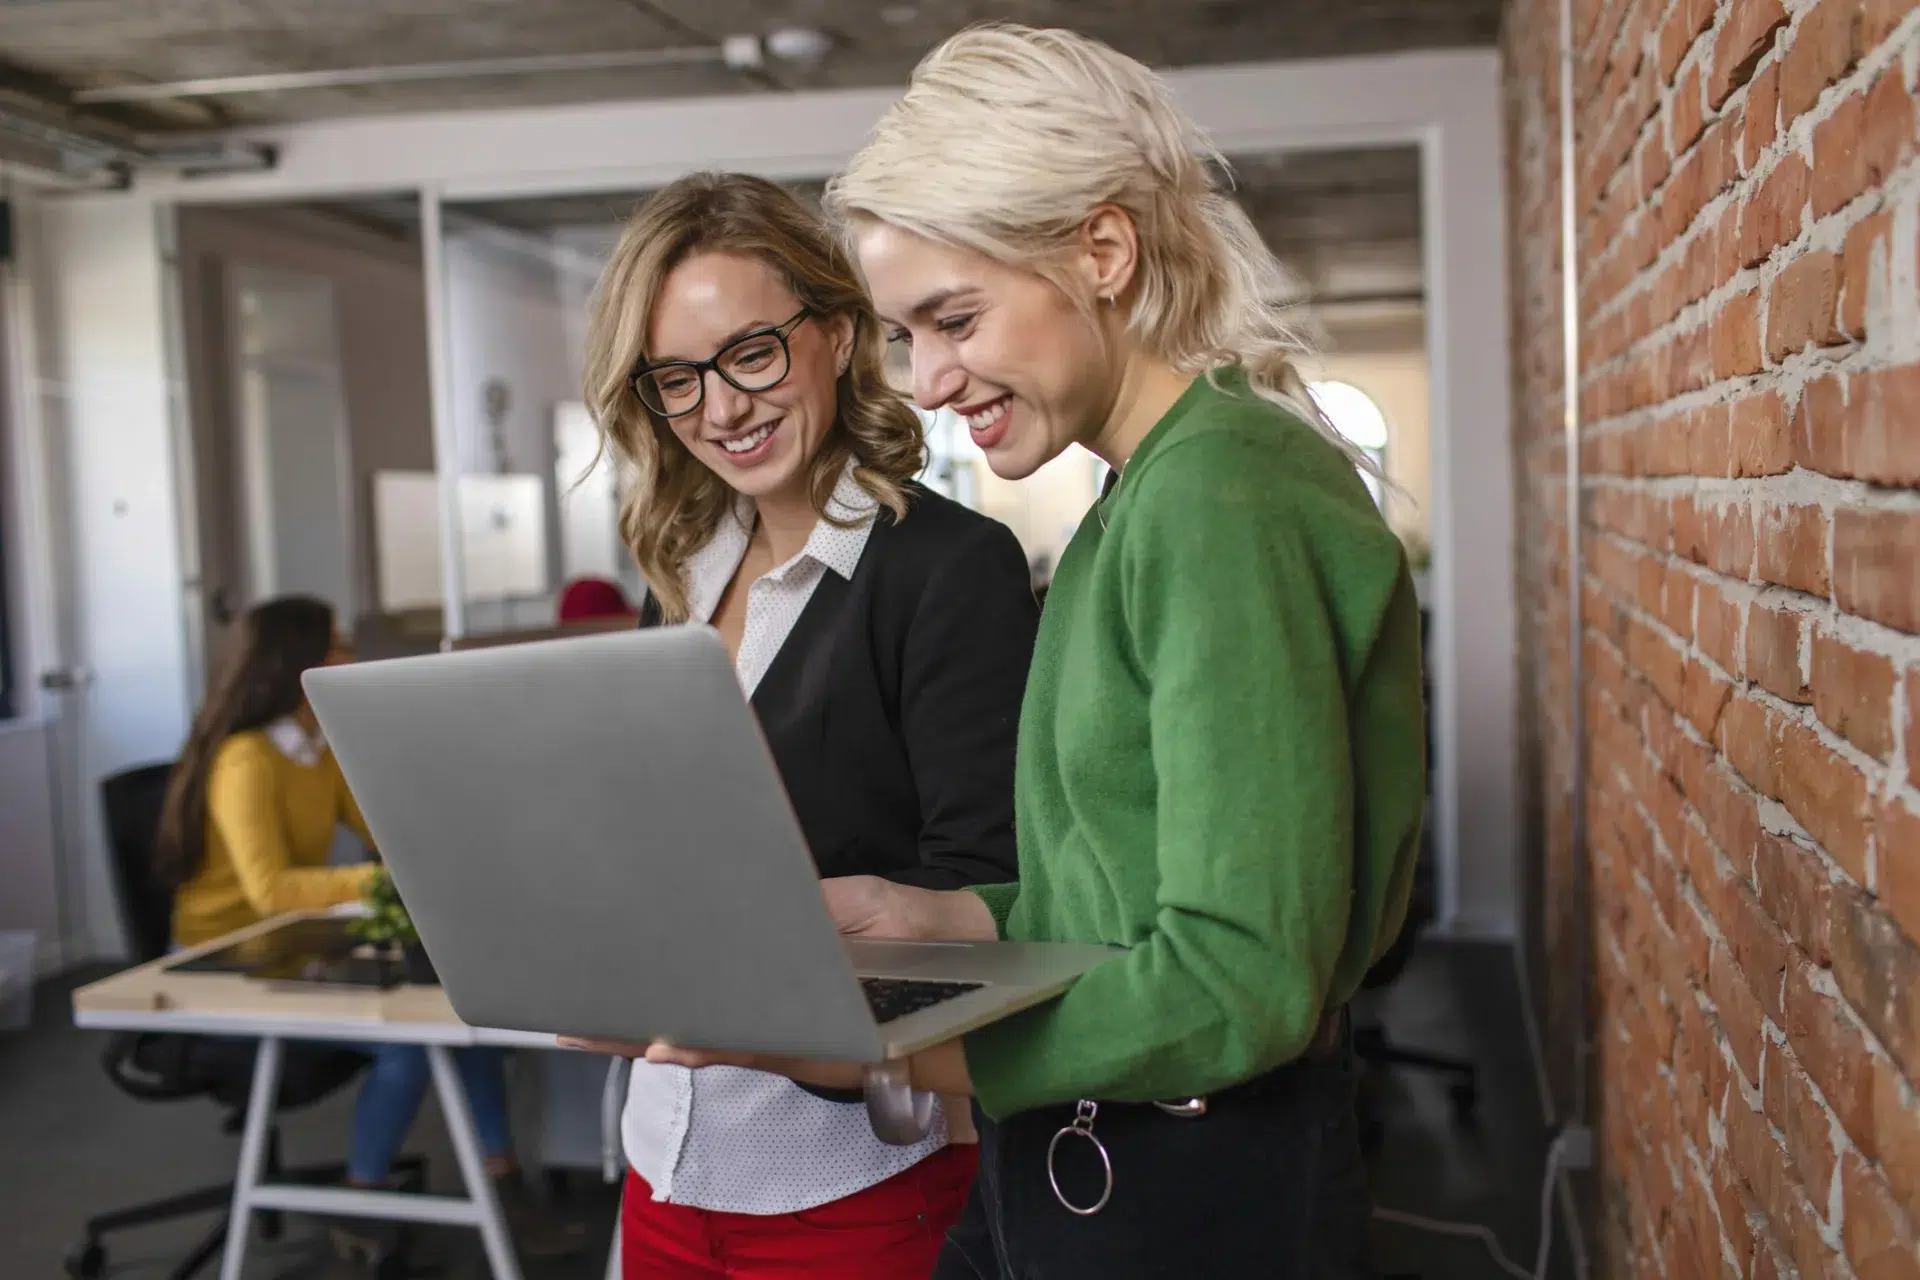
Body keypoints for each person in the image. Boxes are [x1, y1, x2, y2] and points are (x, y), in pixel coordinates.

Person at [629, 25, 1427, 1279]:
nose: (930, 379)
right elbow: (1111, 899)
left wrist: (870, 1050)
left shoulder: (1220, 494)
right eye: (906, 333)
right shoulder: (1135, 497)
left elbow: (1237, 979)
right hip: (1089, 1157)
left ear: (1102, 251)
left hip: (1189, 1184)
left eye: (953, 318)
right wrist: (931, 913)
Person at [568, 171, 1037, 1280]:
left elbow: (988, 889)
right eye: (677, 378)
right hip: (666, 1159)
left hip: (851, 1176)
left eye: (752, 352)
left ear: (834, 334)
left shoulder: (944, 569)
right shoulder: (678, 577)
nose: (721, 407)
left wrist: (784, 1022)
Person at [155, 596, 584, 1269]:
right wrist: (388, 882)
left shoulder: (314, 746)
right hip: (228, 959)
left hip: (296, 944)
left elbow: (384, 828)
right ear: (293, 663)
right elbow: (270, 890)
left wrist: (450, 842)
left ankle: (502, 1182)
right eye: (337, 646)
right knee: (408, 1045)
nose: (350, 658)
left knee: (457, 1012)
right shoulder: (247, 760)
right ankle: (363, 1199)